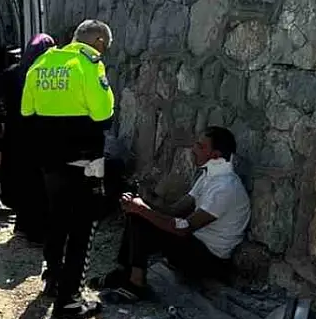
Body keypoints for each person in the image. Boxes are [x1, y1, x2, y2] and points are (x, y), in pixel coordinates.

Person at [21, 19, 116, 319]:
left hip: (49, 162)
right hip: (83, 163)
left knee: (56, 219)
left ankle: (52, 278)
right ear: (98, 42)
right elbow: (103, 114)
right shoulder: (89, 64)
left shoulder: (44, 62)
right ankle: (70, 299)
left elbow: (27, 111)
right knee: (82, 228)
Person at [94, 126, 252, 303]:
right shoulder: (210, 178)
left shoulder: (225, 188)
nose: (194, 149)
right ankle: (125, 272)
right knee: (139, 214)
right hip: (195, 245)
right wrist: (142, 202)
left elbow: (184, 228)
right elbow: (176, 210)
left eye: (200, 146)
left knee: (142, 216)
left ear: (215, 155)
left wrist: (142, 209)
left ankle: (136, 285)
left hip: (210, 260)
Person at [0, 32, 55, 241]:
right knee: (37, 183)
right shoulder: (45, 74)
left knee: (20, 179)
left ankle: (22, 225)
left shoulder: (13, 72)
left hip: (14, 134)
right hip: (37, 134)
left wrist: (3, 115)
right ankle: (35, 232)